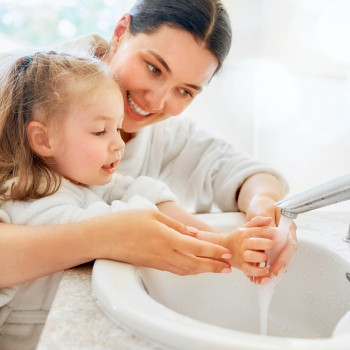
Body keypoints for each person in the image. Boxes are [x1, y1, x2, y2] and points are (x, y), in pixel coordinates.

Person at [0, 0, 296, 296]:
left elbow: (241, 172)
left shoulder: (166, 135)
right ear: (120, 32)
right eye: (154, 68)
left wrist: (263, 213)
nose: (156, 102)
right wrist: (106, 236)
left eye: (185, 91)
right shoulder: (17, 97)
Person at [0, 51, 278, 349]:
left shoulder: (81, 180)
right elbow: (114, 227)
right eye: (100, 131)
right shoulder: (30, 196)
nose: (119, 144)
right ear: (43, 140)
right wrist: (221, 248)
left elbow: (143, 193)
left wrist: (224, 244)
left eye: (117, 128)